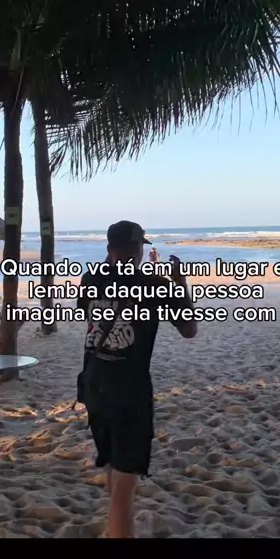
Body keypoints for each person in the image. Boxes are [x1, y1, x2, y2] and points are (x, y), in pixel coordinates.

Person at [78, 220, 197, 538]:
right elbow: (189, 329)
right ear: (140, 250)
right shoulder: (156, 284)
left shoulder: (90, 279)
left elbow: (88, 314)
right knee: (125, 482)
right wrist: (180, 282)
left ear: (109, 249)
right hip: (129, 391)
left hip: (94, 384)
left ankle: (118, 527)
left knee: (113, 466)